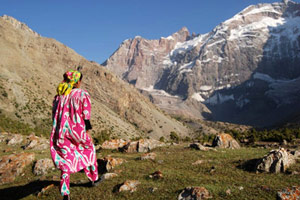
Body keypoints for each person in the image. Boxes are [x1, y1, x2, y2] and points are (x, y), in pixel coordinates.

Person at [50, 70, 100, 200]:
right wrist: (87, 132)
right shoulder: (82, 94)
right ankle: (93, 179)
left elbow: (54, 114)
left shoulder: (59, 96)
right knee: (89, 150)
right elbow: (86, 116)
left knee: (66, 161)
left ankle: (65, 194)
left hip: (61, 132)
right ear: (77, 81)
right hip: (77, 131)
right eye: (80, 80)